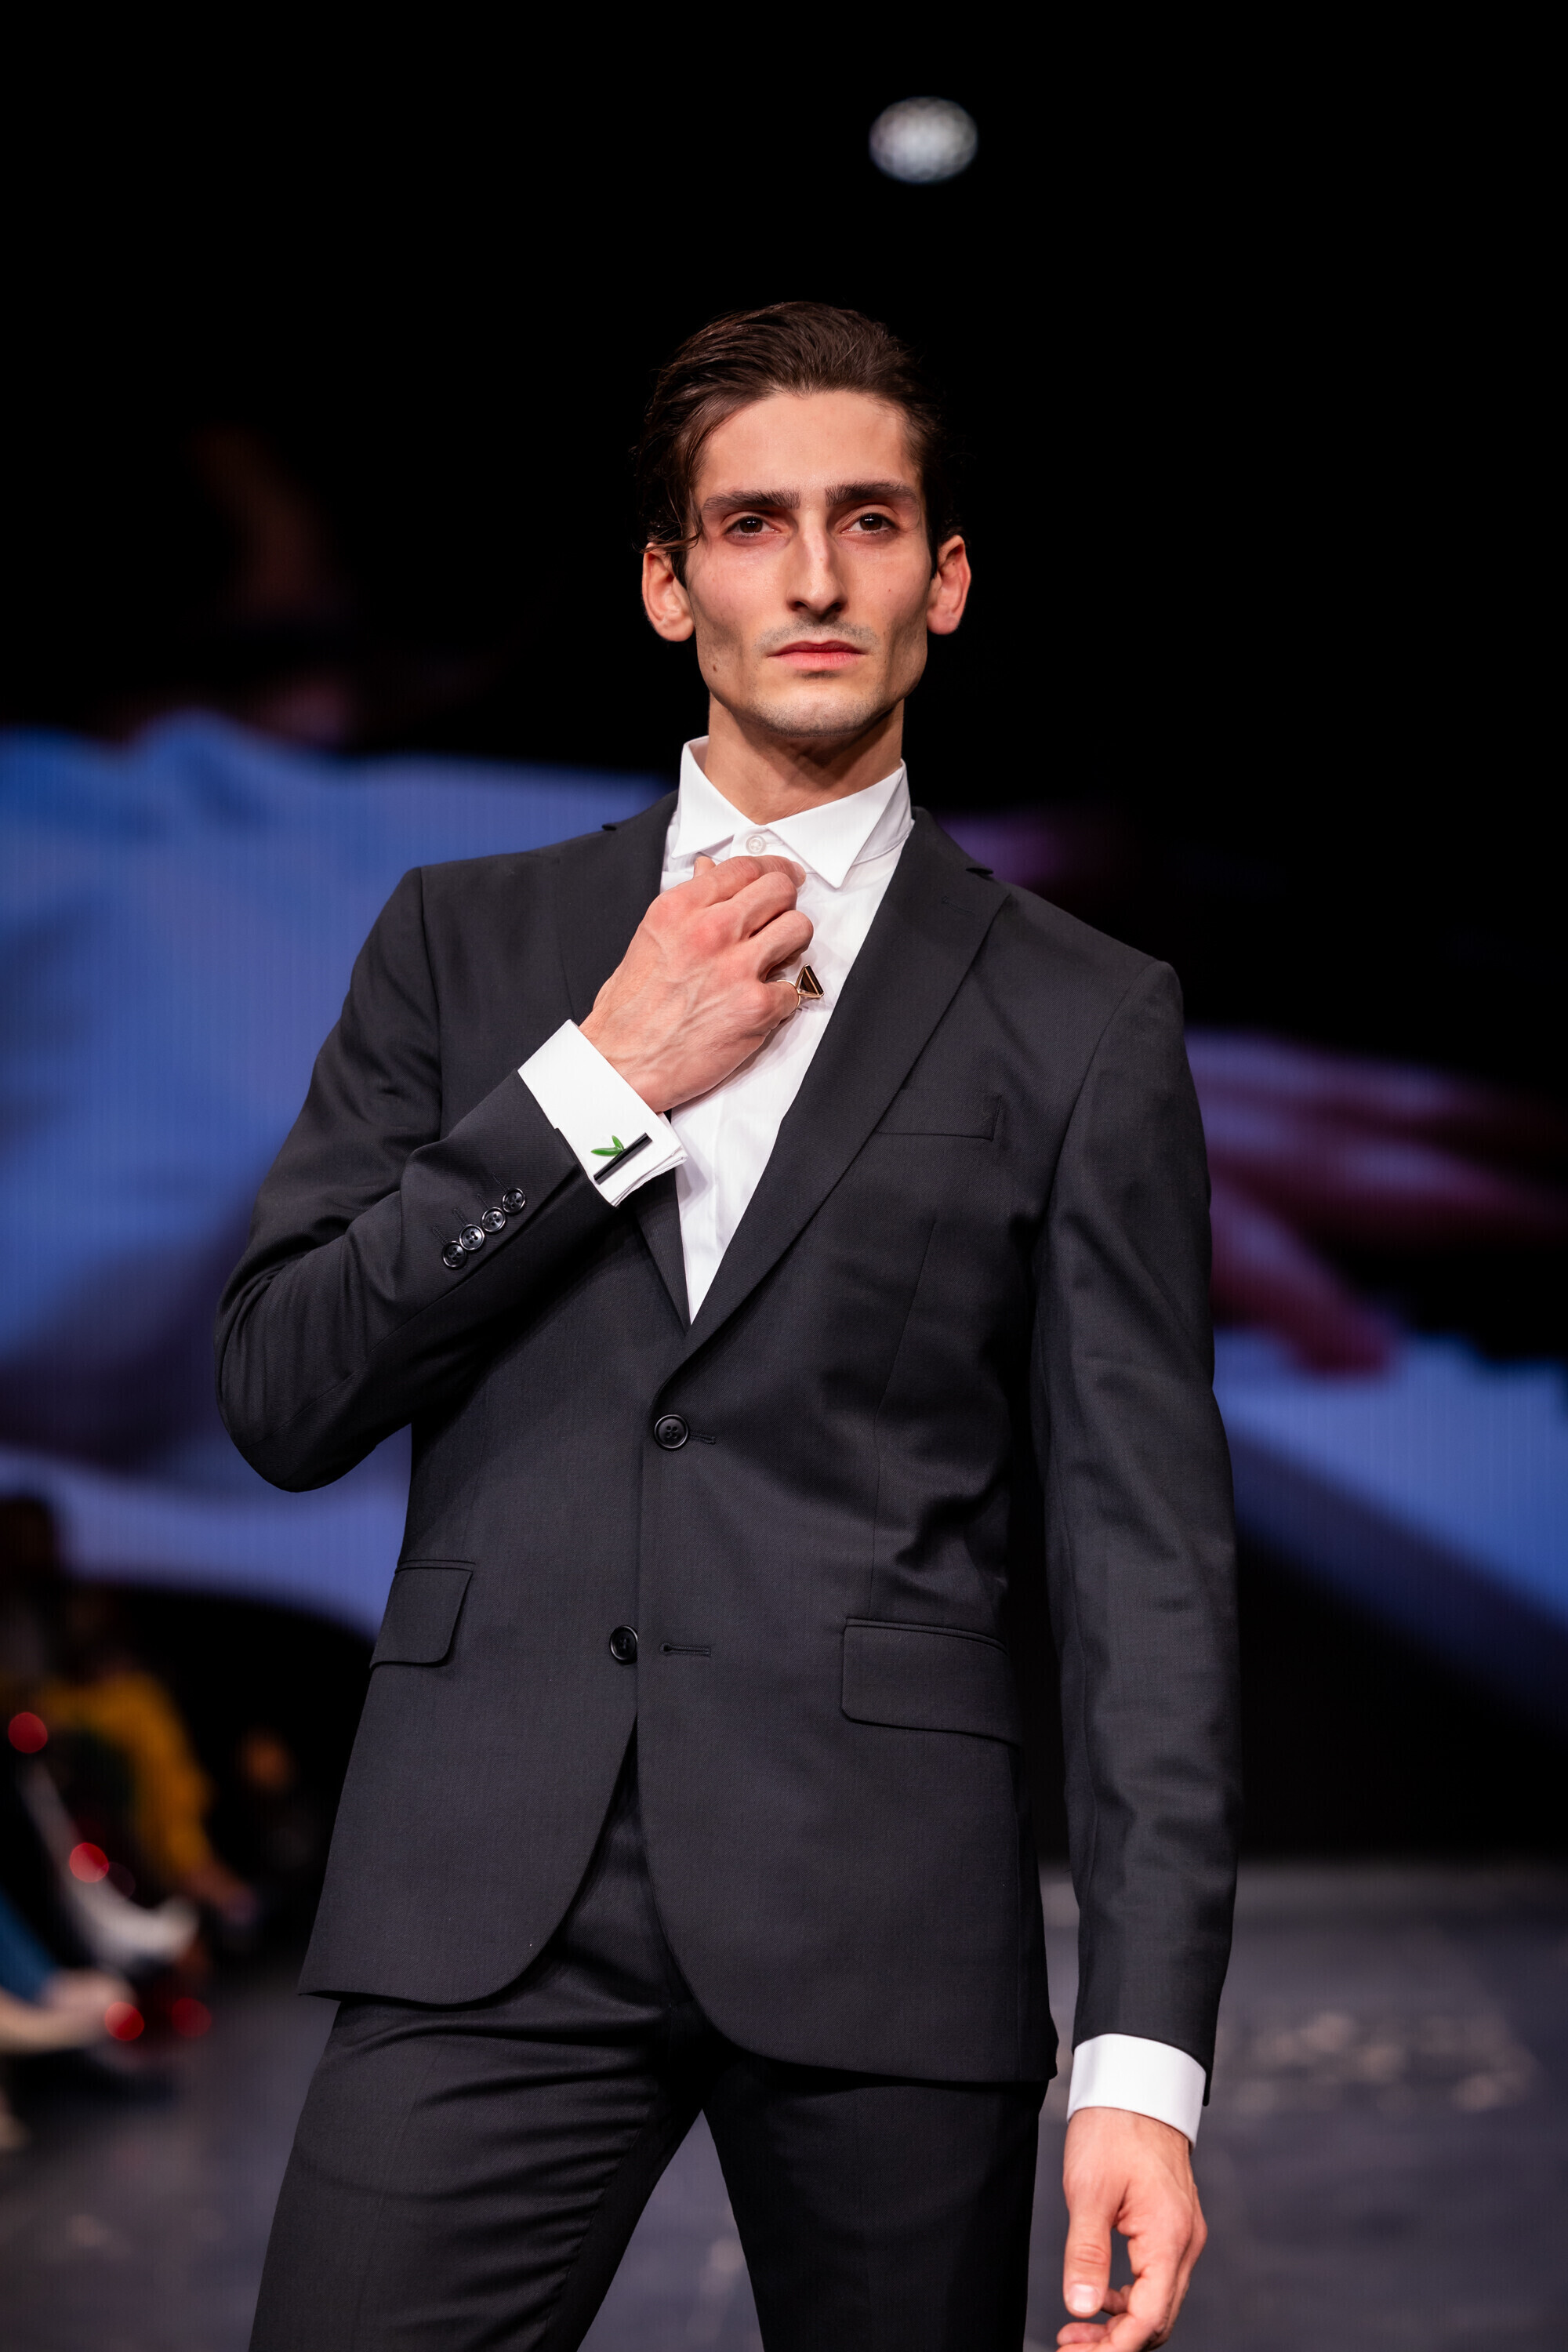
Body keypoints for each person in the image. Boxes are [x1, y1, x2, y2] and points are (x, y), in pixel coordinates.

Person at [221, 303, 1240, 2351]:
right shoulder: (466, 942)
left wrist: (1144, 2065)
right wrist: (600, 1082)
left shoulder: (1077, 1014)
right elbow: (286, 1387)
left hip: (882, 1914)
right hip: (483, 1900)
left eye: (870, 520)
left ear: (945, 579)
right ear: (668, 584)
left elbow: (1144, 1561)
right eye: (752, 523)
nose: (815, 575)